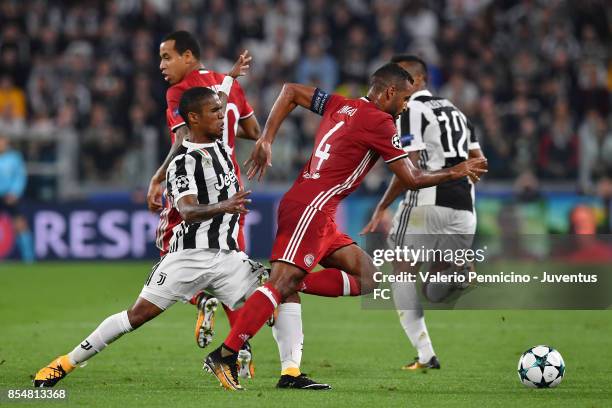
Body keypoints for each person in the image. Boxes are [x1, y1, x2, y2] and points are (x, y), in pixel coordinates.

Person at [203, 62, 487, 390]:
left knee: (367, 276)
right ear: (390, 92)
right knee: (282, 284)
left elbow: (291, 91)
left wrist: (267, 138)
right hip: (311, 208)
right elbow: (412, 178)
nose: (407, 106)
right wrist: (456, 170)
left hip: (319, 211)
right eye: (405, 99)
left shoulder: (343, 103)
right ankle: (226, 353)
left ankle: (279, 299)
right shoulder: (380, 121)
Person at [33, 86, 315, 389]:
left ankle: (290, 374)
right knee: (136, 316)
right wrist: (225, 205)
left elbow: (223, 96)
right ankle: (65, 362)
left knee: (284, 291)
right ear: (193, 118)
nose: (222, 117)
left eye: (221, 112)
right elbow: (187, 209)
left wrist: (230, 78)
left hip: (229, 257)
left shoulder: (219, 143)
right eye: (214, 112)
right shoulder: (183, 162)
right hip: (188, 257)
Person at [150, 31, 315, 388]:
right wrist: (237, 131)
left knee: (167, 251)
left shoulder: (181, 92)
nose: (162, 65)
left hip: (196, 184)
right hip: (232, 189)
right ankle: (240, 351)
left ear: (188, 56)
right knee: (233, 271)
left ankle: (198, 297)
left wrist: (158, 177)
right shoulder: (224, 89)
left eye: (166, 57)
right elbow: (252, 129)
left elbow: (181, 140)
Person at [361, 55, 486, 370]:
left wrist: (381, 207)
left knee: (401, 269)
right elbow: (480, 162)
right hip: (465, 210)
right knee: (434, 289)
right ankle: (460, 272)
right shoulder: (456, 111)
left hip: (427, 203)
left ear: (413, 81)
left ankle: (425, 353)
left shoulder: (410, 108)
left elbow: (409, 169)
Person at [0, 134, 34, 262]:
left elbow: (20, 176)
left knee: (20, 225)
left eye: (2, 141)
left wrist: (15, 193)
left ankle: (29, 259)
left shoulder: (14, 158)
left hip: (11, 196)